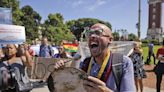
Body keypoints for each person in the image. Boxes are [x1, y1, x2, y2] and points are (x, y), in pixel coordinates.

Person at [53, 23, 135, 92]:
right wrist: (62, 72)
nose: (92, 36)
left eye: (98, 33)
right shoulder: (85, 63)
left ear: (110, 40)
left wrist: (105, 91)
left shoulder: (123, 63)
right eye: (89, 34)